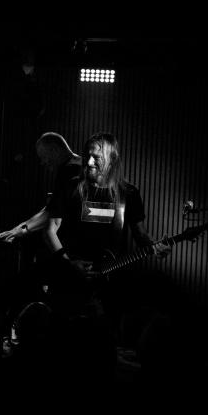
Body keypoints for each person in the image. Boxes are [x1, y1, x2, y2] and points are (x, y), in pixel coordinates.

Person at [43, 132, 171, 321]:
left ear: (112, 160)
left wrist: (156, 246)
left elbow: (141, 235)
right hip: (71, 280)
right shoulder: (70, 188)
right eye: (87, 156)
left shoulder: (129, 194)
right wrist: (68, 262)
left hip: (110, 284)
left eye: (96, 158)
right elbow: (49, 230)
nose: (89, 163)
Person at [0, 132, 82, 242]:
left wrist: (21, 230)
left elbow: (53, 212)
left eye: (43, 157)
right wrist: (21, 227)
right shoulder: (77, 163)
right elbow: (52, 207)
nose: (42, 162)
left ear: (54, 150)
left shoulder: (71, 169)